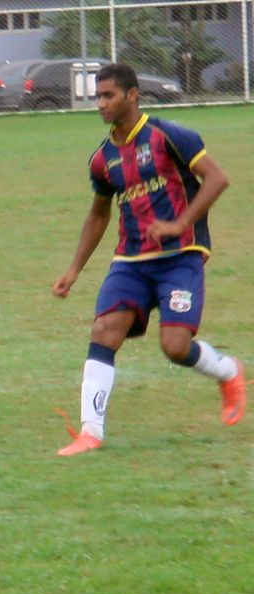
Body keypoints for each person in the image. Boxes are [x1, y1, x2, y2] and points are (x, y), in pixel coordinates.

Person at [52, 63, 245, 457]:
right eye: (98, 96)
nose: (101, 103)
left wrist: (180, 223)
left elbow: (217, 178)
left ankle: (229, 372)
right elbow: (99, 213)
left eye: (108, 95)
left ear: (132, 95)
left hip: (179, 257)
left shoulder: (167, 136)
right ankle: (90, 432)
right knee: (104, 331)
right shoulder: (102, 158)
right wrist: (73, 270)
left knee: (174, 346)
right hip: (130, 260)